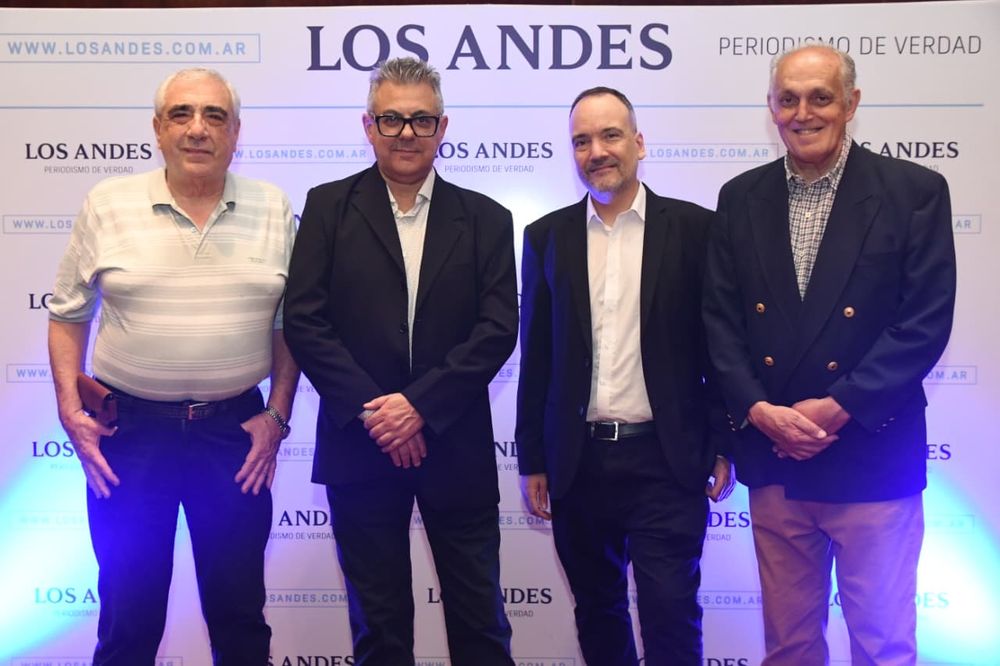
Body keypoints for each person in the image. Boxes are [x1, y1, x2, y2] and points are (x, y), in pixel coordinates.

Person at [702, 45, 956, 665]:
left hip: (872, 458)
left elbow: (922, 324)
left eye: (820, 97)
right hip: (777, 462)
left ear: (850, 104)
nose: (803, 112)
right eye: (788, 98)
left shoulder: (913, 192)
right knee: (788, 647)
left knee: (882, 644)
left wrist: (838, 407)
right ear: (771, 106)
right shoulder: (740, 198)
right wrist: (759, 411)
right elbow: (719, 322)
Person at [46, 67, 299, 666]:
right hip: (129, 436)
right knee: (129, 615)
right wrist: (67, 407)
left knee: (239, 614)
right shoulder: (108, 204)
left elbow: (293, 325)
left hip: (234, 434)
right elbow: (65, 313)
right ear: (158, 129)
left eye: (215, 116)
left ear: (237, 133)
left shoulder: (273, 207)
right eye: (182, 114)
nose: (198, 129)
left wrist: (278, 414)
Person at [282, 57, 518, 666]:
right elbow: (306, 322)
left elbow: (497, 330)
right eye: (391, 119)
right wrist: (379, 414)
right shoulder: (328, 208)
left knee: (481, 626)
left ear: (443, 127)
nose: (406, 133)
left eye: (420, 120)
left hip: (455, 444)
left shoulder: (487, 218)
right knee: (380, 631)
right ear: (368, 126)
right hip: (361, 447)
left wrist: (419, 408)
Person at [516, 86, 734, 666]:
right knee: (599, 612)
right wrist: (533, 458)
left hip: (666, 460)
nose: (596, 151)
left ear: (638, 142)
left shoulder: (695, 230)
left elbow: (719, 349)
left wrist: (721, 442)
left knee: (669, 610)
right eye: (581, 140)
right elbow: (535, 354)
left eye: (610, 135)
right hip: (578, 463)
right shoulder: (546, 237)